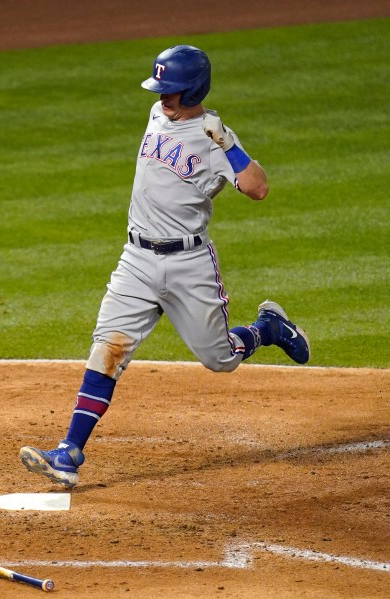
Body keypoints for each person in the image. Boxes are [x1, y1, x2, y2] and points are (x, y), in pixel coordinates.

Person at [19, 45, 310, 489]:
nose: (162, 98)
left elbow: (258, 188)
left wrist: (228, 145)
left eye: (171, 91)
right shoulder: (157, 115)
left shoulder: (215, 139)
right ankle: (69, 453)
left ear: (192, 89)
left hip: (188, 264)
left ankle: (268, 328)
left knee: (220, 360)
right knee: (108, 347)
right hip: (136, 258)